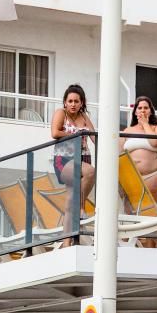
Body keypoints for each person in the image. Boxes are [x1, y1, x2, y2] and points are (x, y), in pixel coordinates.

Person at [50, 84, 96, 238]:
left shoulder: (84, 117)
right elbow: (55, 132)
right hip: (64, 158)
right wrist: (76, 134)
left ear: (81, 103)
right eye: (70, 101)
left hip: (84, 156)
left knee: (70, 201)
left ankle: (66, 241)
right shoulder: (61, 113)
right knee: (90, 172)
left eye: (76, 101)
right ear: (65, 102)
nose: (73, 104)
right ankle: (81, 207)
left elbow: (94, 138)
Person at [120, 96, 157, 226]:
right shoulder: (127, 131)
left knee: (148, 215)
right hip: (131, 178)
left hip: (152, 176)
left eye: (146, 108)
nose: (142, 110)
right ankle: (134, 245)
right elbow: (118, 153)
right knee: (130, 215)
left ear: (150, 111)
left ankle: (149, 244)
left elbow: (155, 142)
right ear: (135, 111)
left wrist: (145, 124)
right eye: (139, 108)